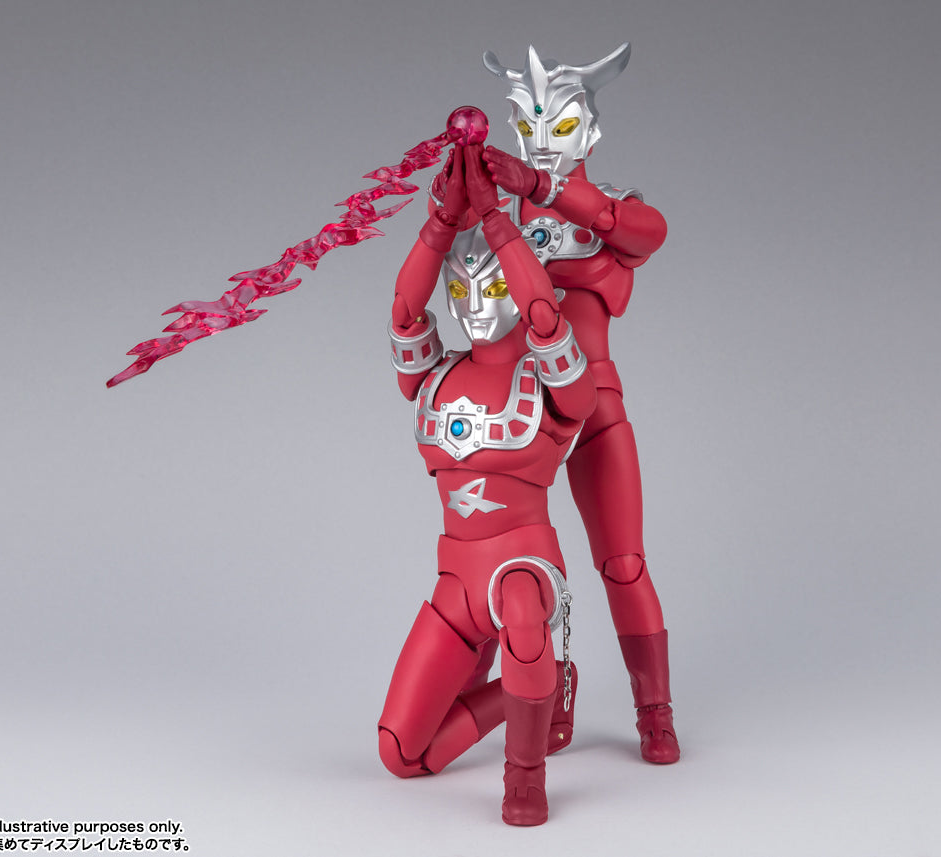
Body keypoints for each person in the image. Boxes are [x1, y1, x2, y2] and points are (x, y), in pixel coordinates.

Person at [377, 145, 596, 826]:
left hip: (519, 566)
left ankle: (524, 776)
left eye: (494, 287)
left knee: (524, 616)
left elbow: (545, 319)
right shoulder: (436, 376)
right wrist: (440, 224)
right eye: (462, 288)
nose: (475, 304)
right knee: (401, 754)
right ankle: (532, 689)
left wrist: (500, 224)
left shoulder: (550, 379)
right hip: (455, 585)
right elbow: (403, 311)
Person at [476, 43, 681, 763]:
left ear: (590, 130)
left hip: (589, 404)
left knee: (622, 562)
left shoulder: (611, 210)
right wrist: (453, 208)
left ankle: (654, 710)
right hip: (515, 416)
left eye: (559, 125)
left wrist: (542, 184)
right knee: (491, 565)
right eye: (527, 125)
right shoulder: (492, 216)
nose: (541, 140)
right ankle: (508, 691)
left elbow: (648, 232)